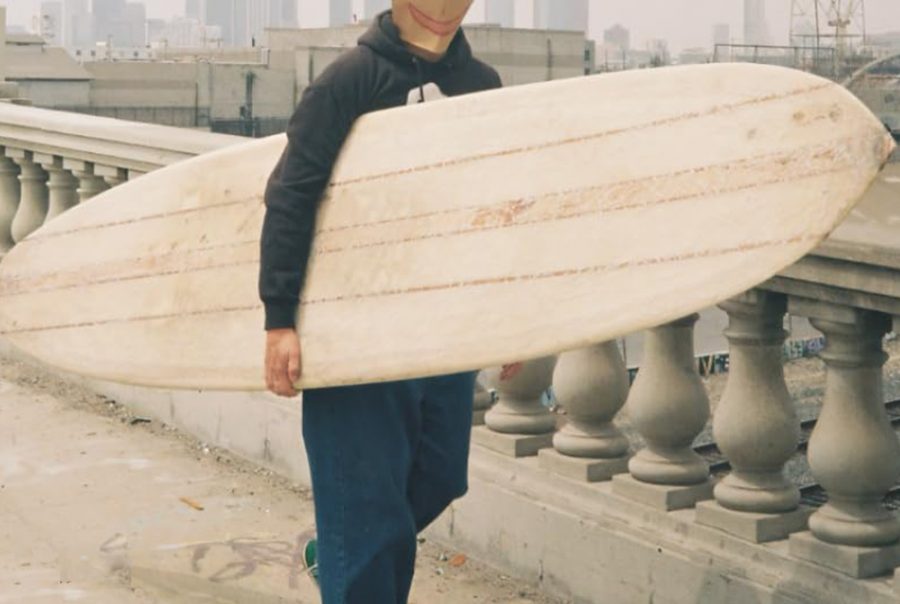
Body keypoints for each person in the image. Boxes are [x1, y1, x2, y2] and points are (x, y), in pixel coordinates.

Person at [258, 2, 510, 602]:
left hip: (441, 332)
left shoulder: (482, 85)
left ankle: (337, 553)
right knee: (365, 516)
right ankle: (346, 557)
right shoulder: (349, 81)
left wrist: (507, 318)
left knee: (439, 476)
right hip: (355, 332)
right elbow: (292, 195)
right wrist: (279, 318)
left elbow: (494, 206)